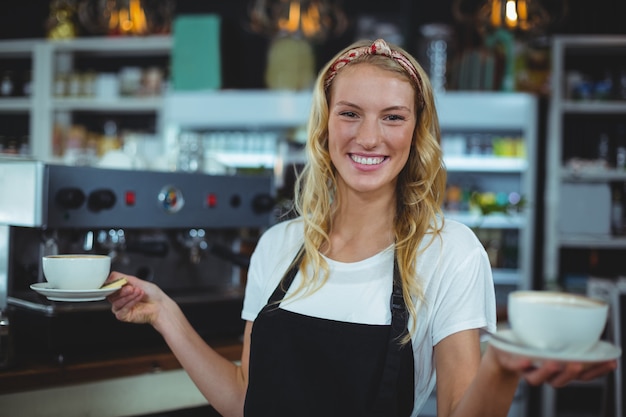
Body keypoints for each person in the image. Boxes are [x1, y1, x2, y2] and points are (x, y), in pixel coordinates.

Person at [106, 38, 618, 417]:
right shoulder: (278, 247)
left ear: (416, 133)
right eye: (350, 113)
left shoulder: (451, 253)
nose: (369, 138)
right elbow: (245, 399)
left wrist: (503, 367)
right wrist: (166, 316)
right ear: (326, 126)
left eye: (393, 118)